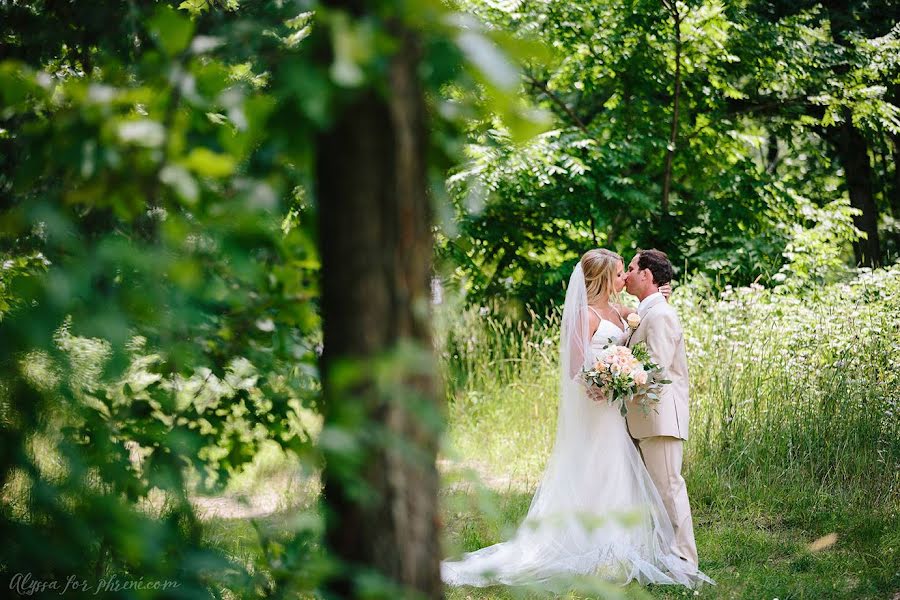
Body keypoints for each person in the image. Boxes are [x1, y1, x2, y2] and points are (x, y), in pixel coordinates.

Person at [441, 249, 712, 590]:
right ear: (602, 279)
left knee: (619, 472)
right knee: (596, 469)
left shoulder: (620, 311)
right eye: (618, 273)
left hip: (617, 410)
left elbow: (644, 319)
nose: (623, 278)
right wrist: (598, 383)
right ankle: (593, 544)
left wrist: (660, 296)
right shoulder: (585, 316)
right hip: (600, 405)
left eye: (626, 272)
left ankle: (623, 547)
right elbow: (576, 367)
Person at [624, 249, 698, 566]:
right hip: (644, 418)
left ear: (647, 275)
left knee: (669, 487)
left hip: (661, 418)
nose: (626, 274)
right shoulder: (646, 312)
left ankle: (684, 559)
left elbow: (657, 370)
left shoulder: (661, 315)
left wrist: (618, 376)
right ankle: (662, 554)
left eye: (630, 268)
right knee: (654, 492)